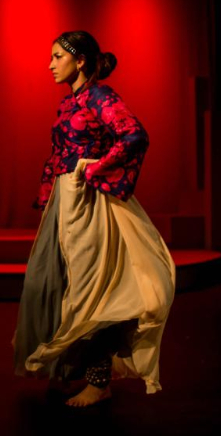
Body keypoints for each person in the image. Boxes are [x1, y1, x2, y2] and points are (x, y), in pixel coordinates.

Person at [13, 31, 175, 408]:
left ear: (80, 60)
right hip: (66, 204)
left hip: (91, 205)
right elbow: (59, 153)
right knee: (58, 285)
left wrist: (95, 170)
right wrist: (48, 194)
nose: (50, 64)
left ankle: (99, 381)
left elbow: (134, 135)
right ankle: (77, 370)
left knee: (93, 289)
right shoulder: (70, 102)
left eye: (57, 56)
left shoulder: (101, 96)